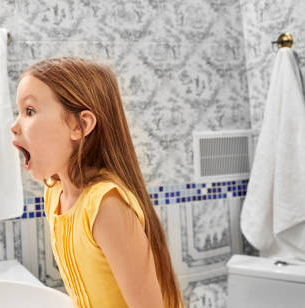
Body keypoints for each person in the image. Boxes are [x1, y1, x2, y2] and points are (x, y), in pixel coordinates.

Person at [10, 57, 183, 308]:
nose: (14, 126)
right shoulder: (55, 195)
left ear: (80, 125)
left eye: (30, 111)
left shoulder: (106, 205)